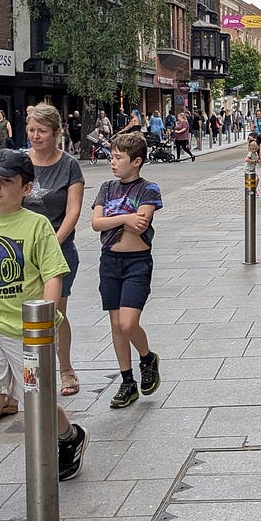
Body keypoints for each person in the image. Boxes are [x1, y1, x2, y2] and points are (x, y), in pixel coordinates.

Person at [0, 149, 88, 521]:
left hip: (28, 332)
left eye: (6, 181)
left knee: (36, 402)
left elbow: (53, 274)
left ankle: (69, 436)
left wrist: (44, 322)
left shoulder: (37, 226)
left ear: (26, 188)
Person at [91, 133, 164, 409]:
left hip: (137, 262)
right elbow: (96, 223)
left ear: (136, 161)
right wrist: (125, 218)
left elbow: (141, 223)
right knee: (115, 325)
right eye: (112, 157)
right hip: (109, 261)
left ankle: (147, 358)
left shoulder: (149, 189)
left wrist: (116, 220)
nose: (112, 162)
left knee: (127, 323)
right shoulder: (106, 188)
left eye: (118, 158)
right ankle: (127, 380)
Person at [24, 103, 87, 397]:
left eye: (42, 131)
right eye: (31, 130)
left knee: (56, 313)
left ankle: (65, 368)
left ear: (56, 133)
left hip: (59, 249)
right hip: (24, 251)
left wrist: (52, 243)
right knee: (22, 312)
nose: (36, 136)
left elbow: (73, 211)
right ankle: (26, 375)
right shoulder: (21, 162)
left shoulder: (69, 166)